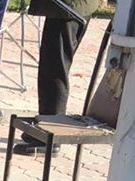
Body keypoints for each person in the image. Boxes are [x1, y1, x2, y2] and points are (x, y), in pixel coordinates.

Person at [13, 0, 101, 156]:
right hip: (69, 8)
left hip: (67, 8)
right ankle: (46, 126)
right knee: (52, 67)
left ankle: (50, 136)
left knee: (54, 69)